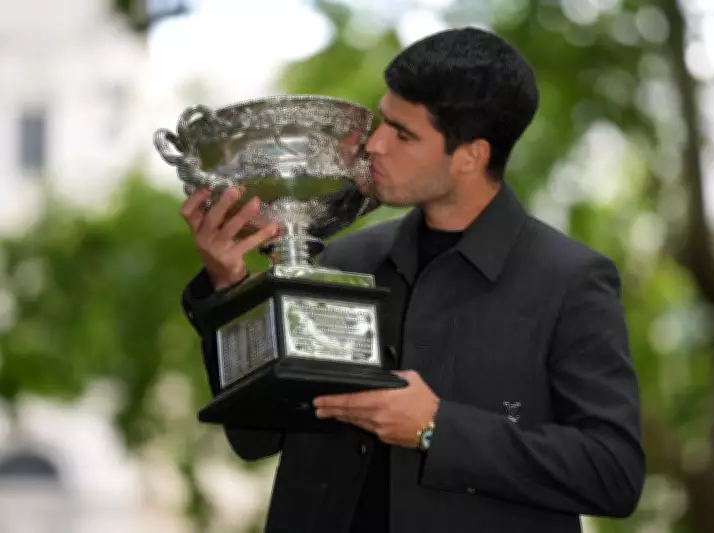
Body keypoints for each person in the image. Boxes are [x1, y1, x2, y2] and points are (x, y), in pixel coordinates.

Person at [179, 27, 645, 533]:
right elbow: (254, 438)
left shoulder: (570, 280)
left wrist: (436, 428)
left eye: (403, 135)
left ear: (471, 155)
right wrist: (229, 288)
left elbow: (613, 473)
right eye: (382, 121)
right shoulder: (343, 259)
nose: (375, 144)